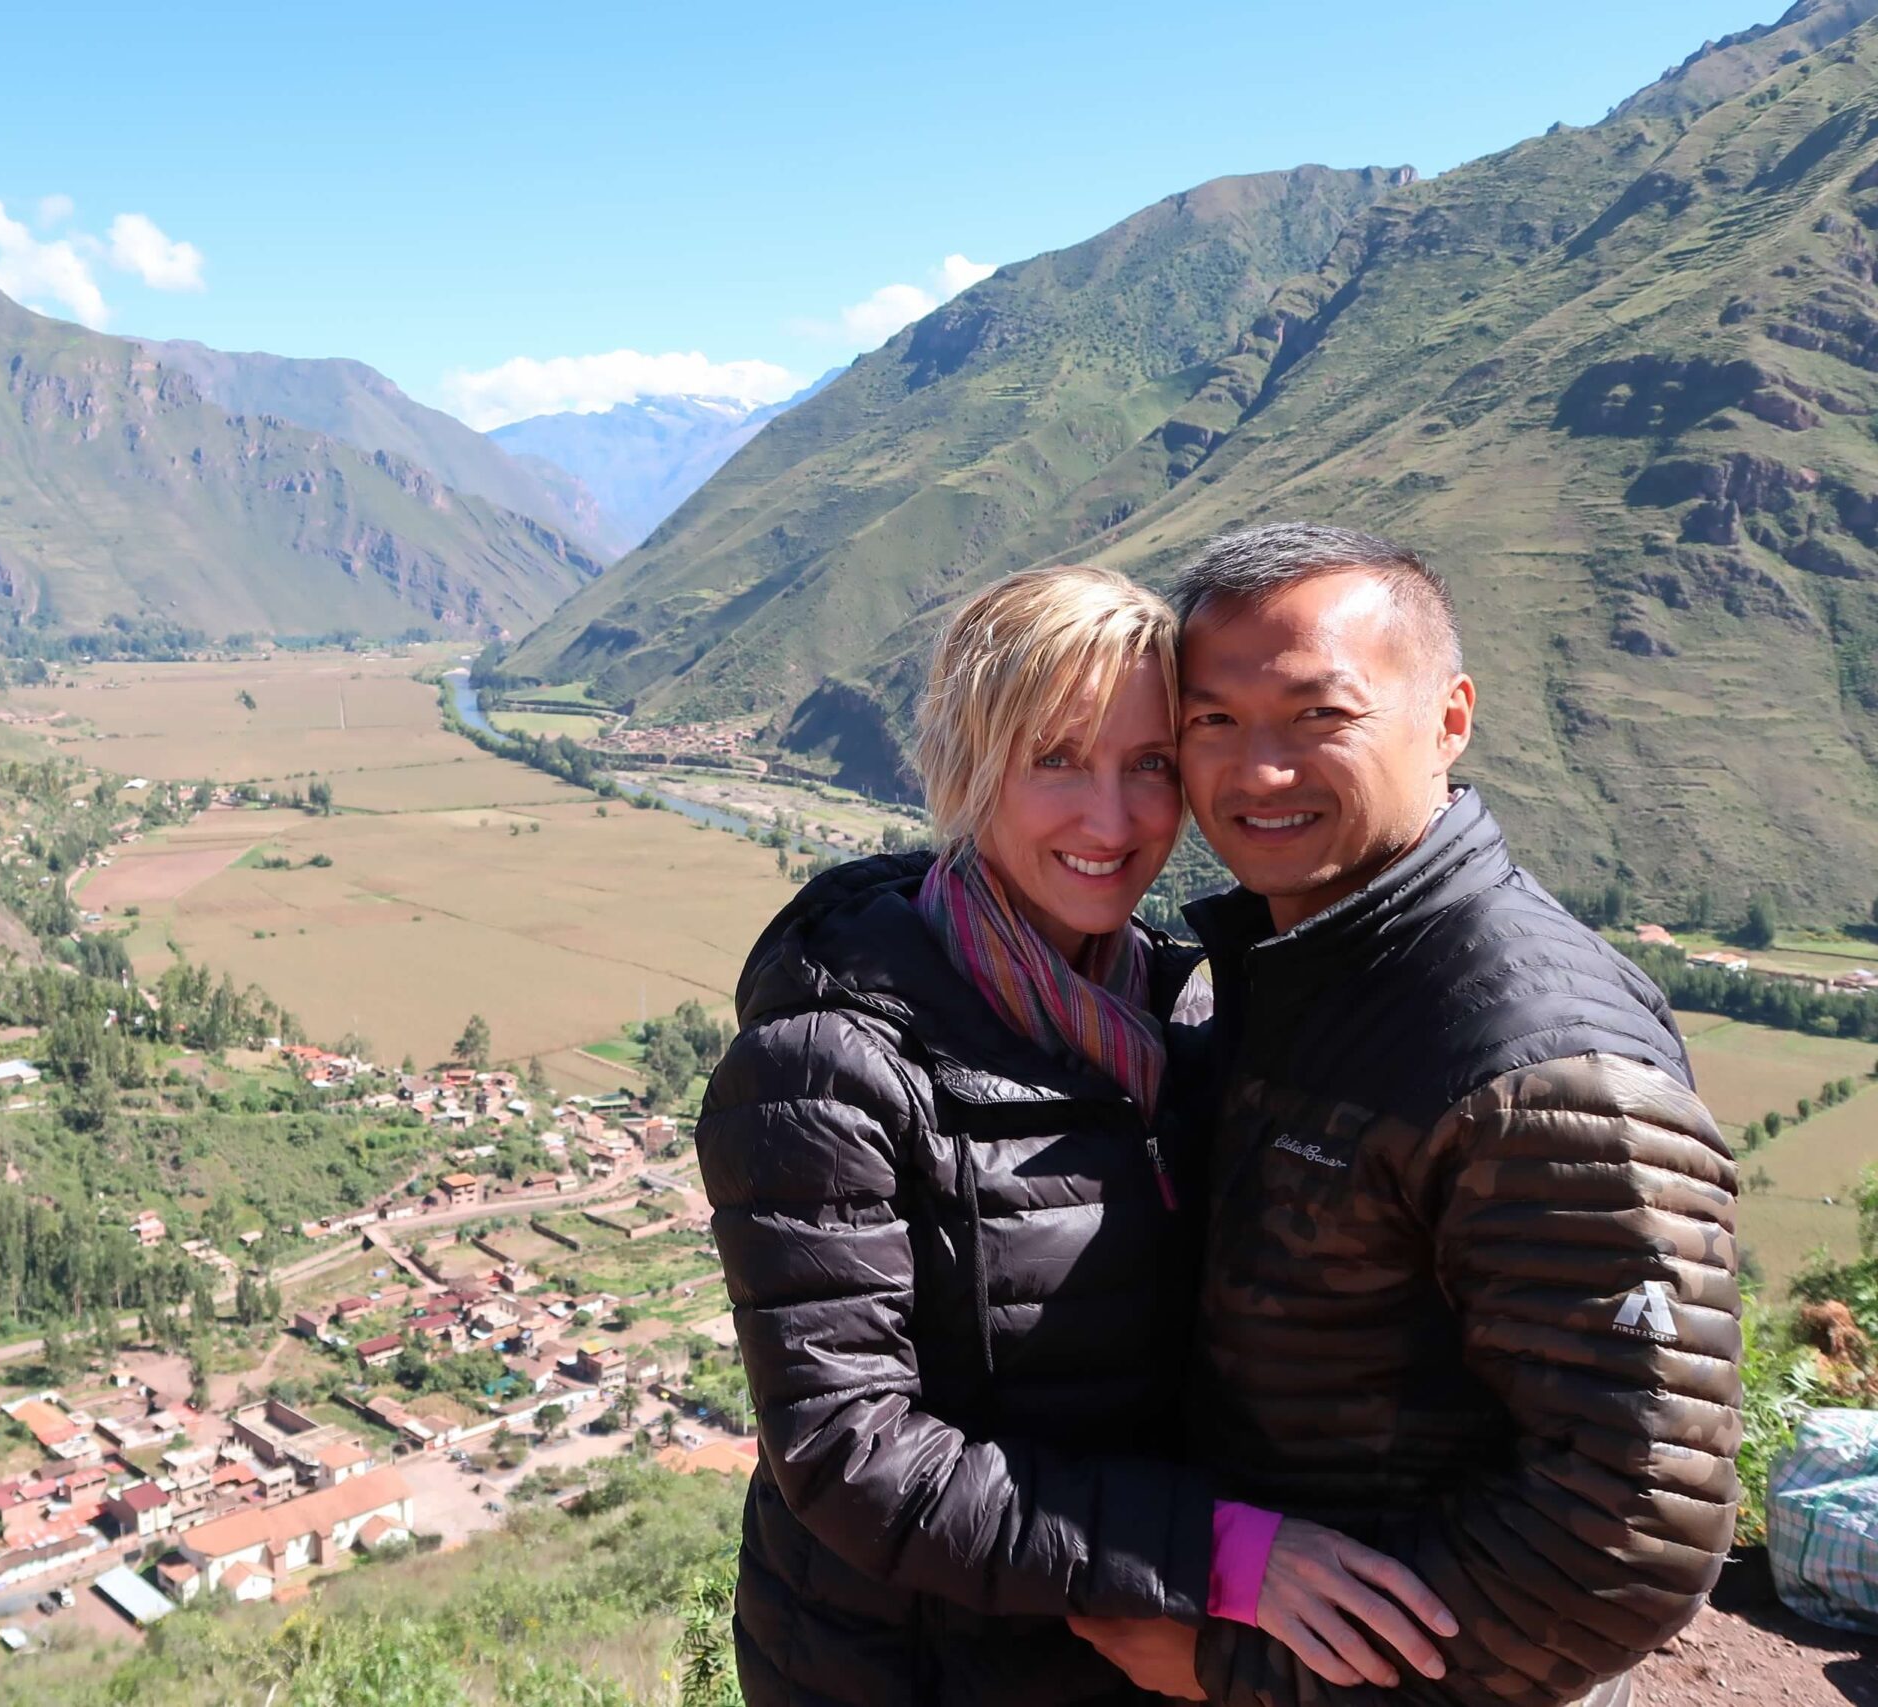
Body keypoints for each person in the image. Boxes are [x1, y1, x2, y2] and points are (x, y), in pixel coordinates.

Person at [695, 564, 1456, 1707]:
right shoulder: (827, 1069)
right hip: (906, 1670)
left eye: (1148, 765)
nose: (1111, 819)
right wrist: (1218, 1554)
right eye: (1054, 758)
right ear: (966, 764)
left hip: (1137, 1655)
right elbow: (847, 1454)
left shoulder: (1190, 1016)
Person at [1070, 524, 1741, 1706]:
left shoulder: (1540, 1064)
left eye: (1319, 717)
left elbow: (1631, 1525)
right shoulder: (1304, 975)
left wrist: (1244, 1665)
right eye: (1214, 722)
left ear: (1448, 720)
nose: (1256, 771)